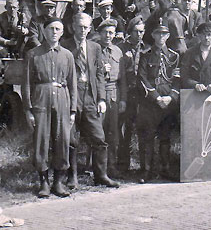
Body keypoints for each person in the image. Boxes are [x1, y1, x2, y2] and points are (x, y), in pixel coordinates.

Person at [61, 12, 119, 188]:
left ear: (89, 28)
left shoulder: (95, 48)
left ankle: (101, 175)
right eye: (79, 27)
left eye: (86, 27)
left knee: (99, 137)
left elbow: (100, 75)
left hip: (90, 96)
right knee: (71, 138)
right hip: (71, 95)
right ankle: (72, 177)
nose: (82, 31)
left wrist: (101, 98)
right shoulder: (64, 46)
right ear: (72, 27)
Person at [22, 18, 77, 198]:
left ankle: (58, 182)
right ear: (44, 31)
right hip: (41, 99)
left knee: (62, 139)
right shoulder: (33, 54)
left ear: (62, 33)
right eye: (51, 28)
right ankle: (44, 182)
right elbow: (27, 84)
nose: (54, 32)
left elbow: (72, 83)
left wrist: (73, 110)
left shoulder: (67, 55)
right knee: (41, 140)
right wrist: (28, 110)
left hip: (62, 99)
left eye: (58, 29)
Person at [137, 23, 180, 181]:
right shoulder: (146, 55)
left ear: (168, 36)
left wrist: (171, 97)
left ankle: (165, 169)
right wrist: (156, 98)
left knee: (165, 136)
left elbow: (177, 79)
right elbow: (141, 79)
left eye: (164, 34)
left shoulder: (174, 56)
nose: (161, 37)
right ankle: (147, 170)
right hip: (152, 103)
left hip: (168, 102)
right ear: (153, 36)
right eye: (157, 34)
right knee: (148, 137)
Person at [117, 16, 150, 171]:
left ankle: (144, 167)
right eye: (136, 31)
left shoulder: (147, 49)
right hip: (127, 92)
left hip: (142, 95)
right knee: (125, 129)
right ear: (129, 32)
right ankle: (123, 165)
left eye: (142, 31)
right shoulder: (120, 48)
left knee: (143, 128)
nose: (139, 35)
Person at [97, 19, 127, 177]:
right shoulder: (94, 49)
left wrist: (123, 100)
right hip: (98, 95)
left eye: (111, 32)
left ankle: (112, 166)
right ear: (100, 33)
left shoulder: (118, 51)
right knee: (98, 132)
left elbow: (122, 79)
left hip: (114, 94)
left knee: (113, 133)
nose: (108, 35)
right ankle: (96, 167)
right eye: (105, 32)